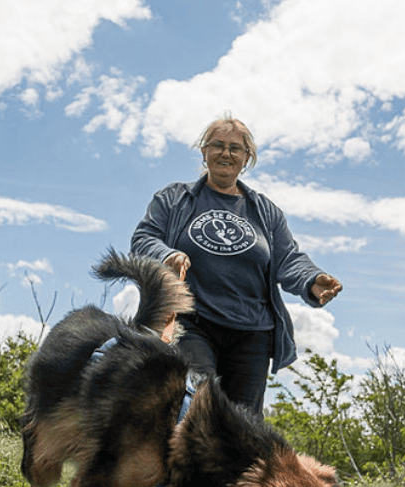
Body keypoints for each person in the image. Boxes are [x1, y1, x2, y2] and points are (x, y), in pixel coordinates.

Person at [131, 116, 342, 415]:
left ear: (247, 158)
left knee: (242, 430)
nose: (226, 153)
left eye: (235, 148)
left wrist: (311, 278)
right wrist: (166, 255)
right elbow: (143, 239)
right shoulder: (174, 199)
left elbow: (288, 258)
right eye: (217, 145)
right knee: (197, 409)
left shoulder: (265, 212)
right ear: (204, 152)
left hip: (252, 334)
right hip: (192, 323)